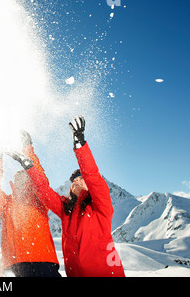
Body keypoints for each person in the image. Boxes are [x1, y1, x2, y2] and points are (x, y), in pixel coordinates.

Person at [8, 116, 125, 277]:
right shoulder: (66, 210)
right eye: (73, 180)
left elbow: (92, 175)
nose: (76, 182)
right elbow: (43, 189)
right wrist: (28, 165)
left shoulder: (100, 206)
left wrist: (80, 145)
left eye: (80, 179)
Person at [0, 131, 61, 277]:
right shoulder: (6, 203)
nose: (19, 178)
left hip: (42, 261)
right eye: (16, 176)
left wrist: (27, 151)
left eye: (24, 176)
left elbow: (40, 179)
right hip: (14, 264)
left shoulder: (39, 199)